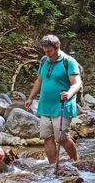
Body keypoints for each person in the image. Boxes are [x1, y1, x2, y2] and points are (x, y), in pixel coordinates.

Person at [25, 35, 81, 164]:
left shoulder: (69, 61)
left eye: (49, 51)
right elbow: (39, 80)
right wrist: (30, 98)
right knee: (47, 137)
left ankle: (76, 162)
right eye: (45, 51)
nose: (47, 54)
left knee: (61, 138)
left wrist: (69, 93)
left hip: (62, 105)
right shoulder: (44, 60)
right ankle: (52, 167)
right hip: (45, 105)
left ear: (57, 47)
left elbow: (77, 83)